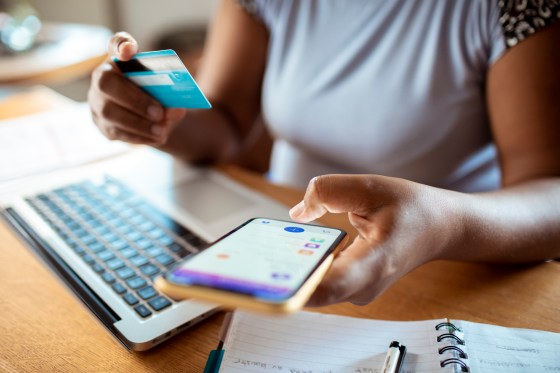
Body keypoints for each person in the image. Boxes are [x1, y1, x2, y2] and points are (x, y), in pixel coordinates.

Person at [88, 0, 560, 307]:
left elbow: (550, 193)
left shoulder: (514, 7)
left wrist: (439, 224)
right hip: (276, 240)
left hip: (446, 274)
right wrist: (153, 116)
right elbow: (225, 124)